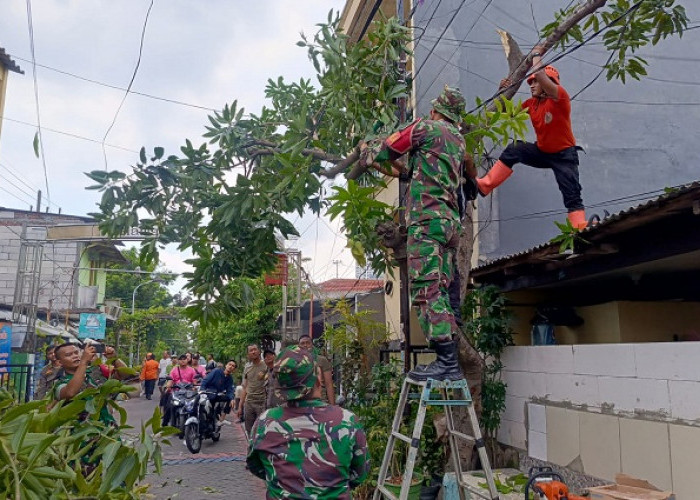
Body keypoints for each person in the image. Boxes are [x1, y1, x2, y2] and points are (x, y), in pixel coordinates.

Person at [359, 86, 470, 381]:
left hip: (427, 222)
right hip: (449, 224)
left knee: (427, 289)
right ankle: (452, 349)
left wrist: (366, 149)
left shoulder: (425, 128)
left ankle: (447, 362)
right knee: (443, 288)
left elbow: (386, 148)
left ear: (436, 111)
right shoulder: (458, 141)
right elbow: (414, 168)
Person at [475, 45, 587, 229]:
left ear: (547, 83)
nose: (532, 85)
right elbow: (505, 112)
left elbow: (541, 74)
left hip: (564, 156)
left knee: (571, 190)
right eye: (531, 83)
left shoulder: (560, 99)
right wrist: (501, 91)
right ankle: (486, 184)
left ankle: (578, 226)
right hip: (542, 151)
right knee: (514, 149)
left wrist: (536, 54)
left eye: (535, 82)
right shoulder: (532, 104)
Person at [247, 346, 369, 499]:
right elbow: (359, 473)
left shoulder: (265, 423)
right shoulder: (347, 421)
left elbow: (256, 467)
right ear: (318, 380)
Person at [53, 343, 113, 425]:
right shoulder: (60, 382)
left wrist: (114, 358)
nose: (75, 356)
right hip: (82, 431)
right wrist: (84, 362)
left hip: (107, 427)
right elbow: (70, 393)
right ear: (60, 362)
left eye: (76, 353)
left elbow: (123, 376)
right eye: (68, 355)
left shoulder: (93, 372)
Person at [237, 344, 267, 435]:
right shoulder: (247, 367)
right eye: (251, 350)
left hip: (262, 402)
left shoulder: (266, 365)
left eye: (255, 349)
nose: (253, 352)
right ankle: (251, 448)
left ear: (259, 351)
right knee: (249, 430)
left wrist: (266, 376)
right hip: (249, 403)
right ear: (248, 354)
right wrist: (240, 406)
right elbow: (245, 387)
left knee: (261, 430)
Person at [298, 335, 335, 405]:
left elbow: (329, 384)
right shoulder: (295, 361)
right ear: (299, 346)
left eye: (308, 343)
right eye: (302, 343)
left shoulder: (321, 360)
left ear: (312, 345)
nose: (305, 345)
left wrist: (332, 405)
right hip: (301, 401)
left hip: (320, 400)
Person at [200, 359, 236, 424]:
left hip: (217, 395)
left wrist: (232, 398)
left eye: (233, 366)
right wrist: (202, 390)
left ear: (234, 369)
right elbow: (205, 380)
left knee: (230, 399)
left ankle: (222, 419)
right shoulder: (216, 371)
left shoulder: (230, 378)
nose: (231, 366)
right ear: (226, 365)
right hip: (208, 394)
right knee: (208, 415)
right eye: (229, 364)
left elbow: (230, 390)